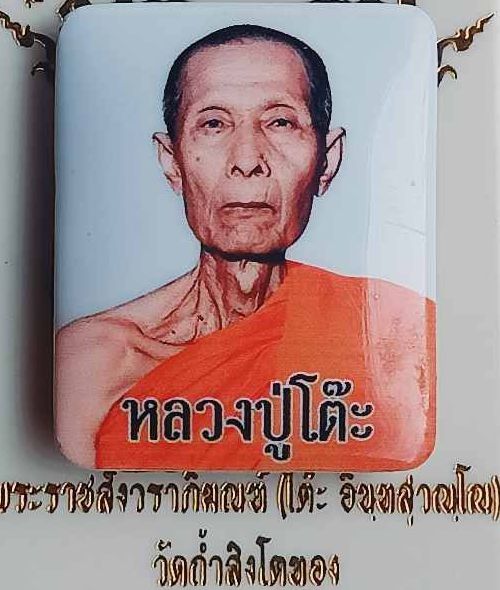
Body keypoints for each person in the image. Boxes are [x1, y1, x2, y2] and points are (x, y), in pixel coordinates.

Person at [55, 24, 435, 470]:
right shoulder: (98, 360)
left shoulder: (395, 332)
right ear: (171, 161)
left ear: (327, 160)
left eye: (280, 122)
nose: (248, 160)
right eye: (213, 124)